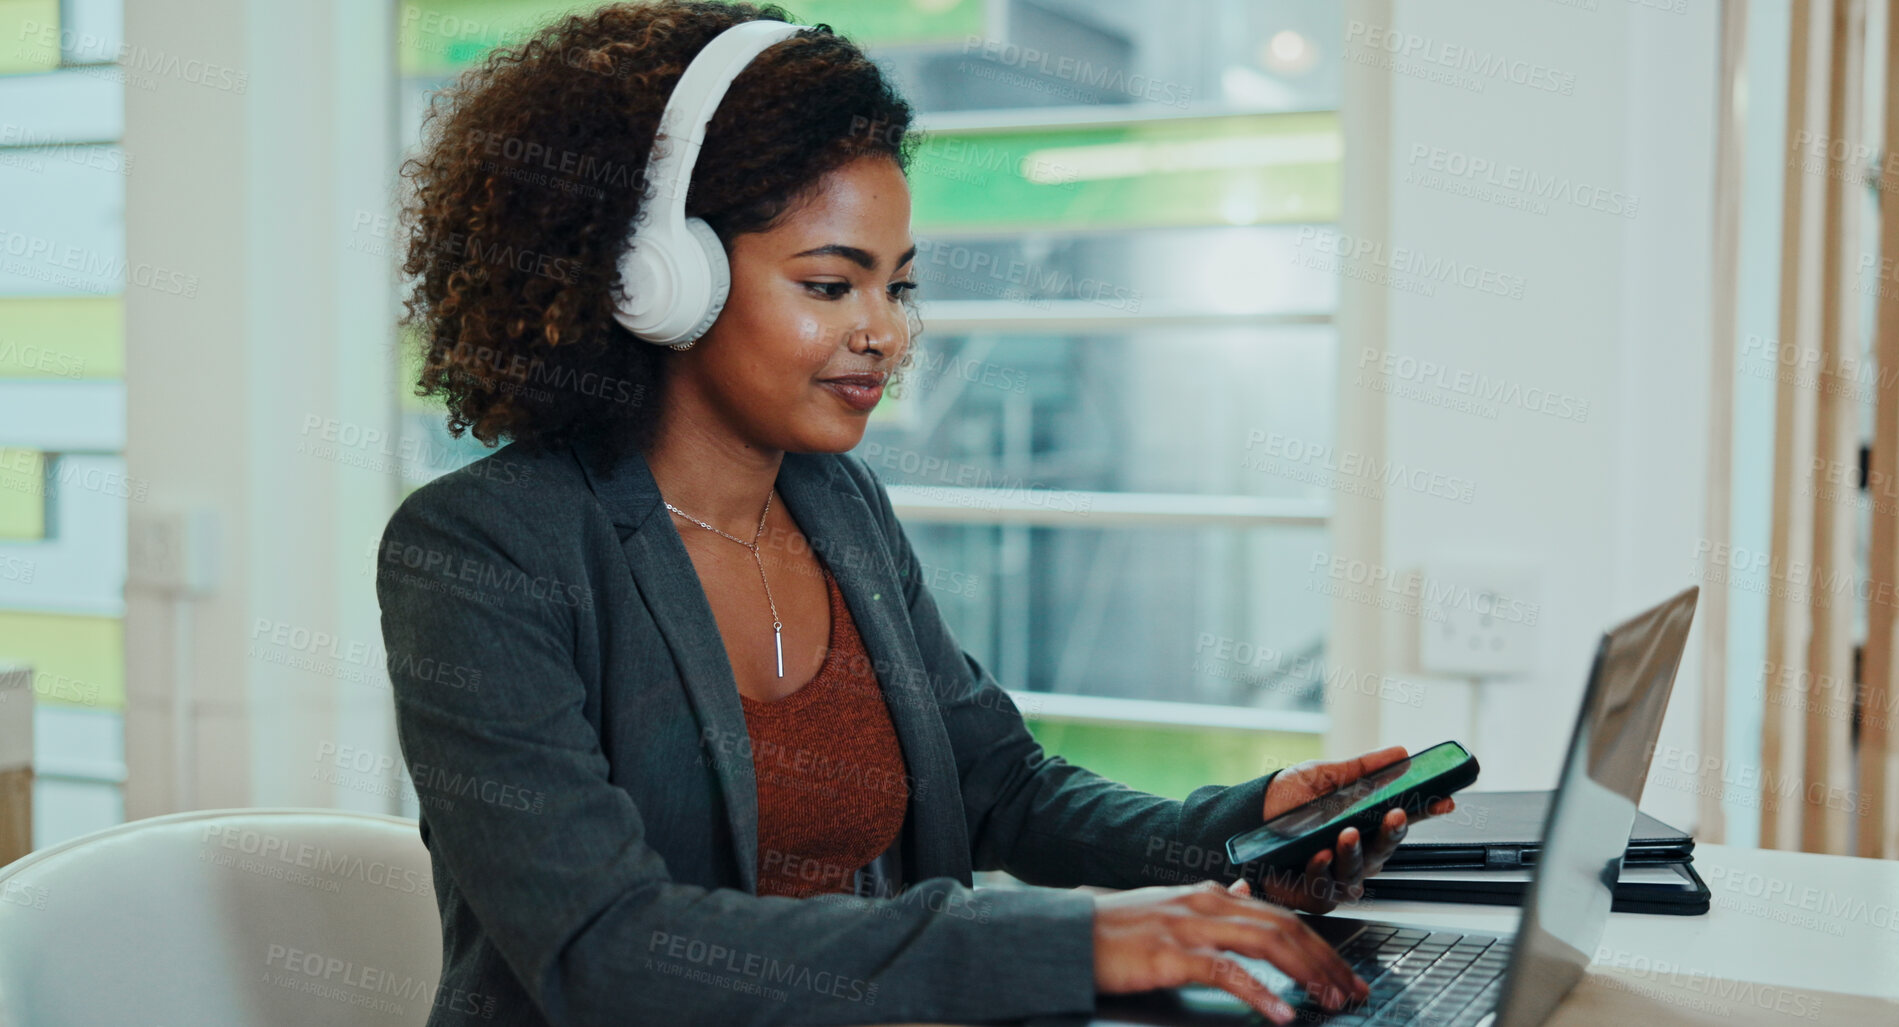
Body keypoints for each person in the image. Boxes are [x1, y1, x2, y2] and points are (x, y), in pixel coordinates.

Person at [379, 3, 1453, 1024]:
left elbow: (999, 786)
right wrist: (1061, 941)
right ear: (660, 279)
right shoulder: (481, 551)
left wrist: (1234, 832)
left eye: (899, 285)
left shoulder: (836, 503)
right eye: (831, 286)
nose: (886, 334)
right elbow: (604, 951)